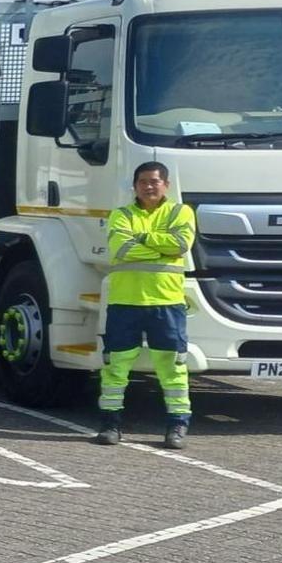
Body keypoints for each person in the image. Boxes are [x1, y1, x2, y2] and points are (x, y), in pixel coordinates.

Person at [95, 162, 196, 450]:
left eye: (154, 181)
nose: (148, 186)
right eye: (142, 181)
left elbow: (180, 244)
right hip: (124, 303)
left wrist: (141, 237)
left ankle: (177, 425)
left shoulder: (181, 211)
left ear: (165, 184)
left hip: (167, 303)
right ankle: (110, 424)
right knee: (115, 367)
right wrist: (159, 245)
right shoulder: (121, 214)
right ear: (135, 186)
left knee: (173, 369)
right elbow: (120, 249)